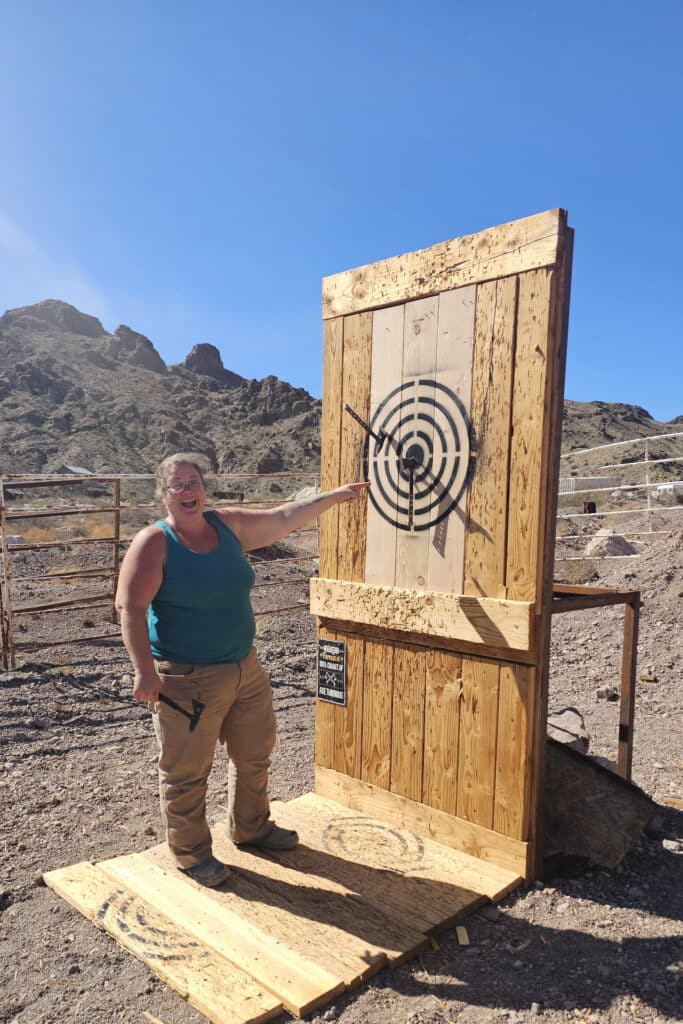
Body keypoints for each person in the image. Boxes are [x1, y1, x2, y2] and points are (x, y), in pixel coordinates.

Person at [115, 452, 368, 887]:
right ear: (163, 494)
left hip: (243, 666)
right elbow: (130, 608)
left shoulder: (225, 525)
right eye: (178, 485)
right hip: (186, 675)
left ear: (204, 488)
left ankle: (251, 827)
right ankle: (191, 853)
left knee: (254, 752)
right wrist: (144, 672)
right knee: (186, 770)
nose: (188, 491)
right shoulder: (155, 543)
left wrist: (334, 496)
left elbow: (284, 516)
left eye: (194, 482)